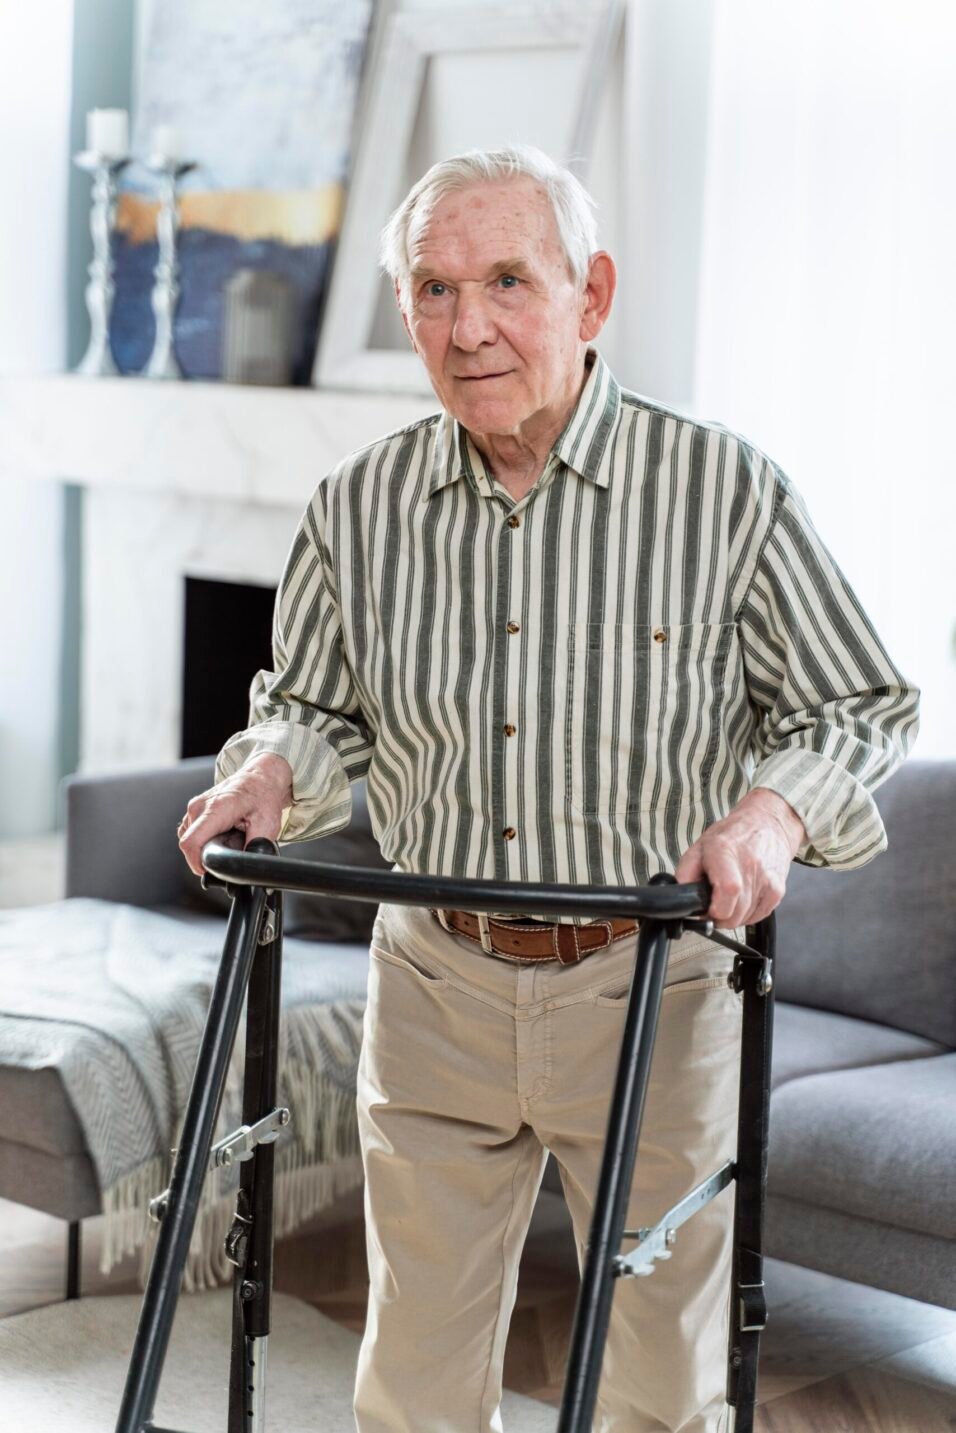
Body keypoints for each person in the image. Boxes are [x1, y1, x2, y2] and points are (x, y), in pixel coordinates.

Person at [177, 146, 919, 1432]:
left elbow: (857, 701)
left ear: (591, 295)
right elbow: (315, 702)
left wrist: (769, 810)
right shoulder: (359, 508)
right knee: (410, 1375)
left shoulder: (721, 492)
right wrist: (271, 763)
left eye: (506, 281)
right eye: (432, 288)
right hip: (433, 980)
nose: (466, 327)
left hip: (652, 983)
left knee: (651, 1383)